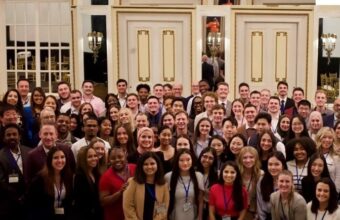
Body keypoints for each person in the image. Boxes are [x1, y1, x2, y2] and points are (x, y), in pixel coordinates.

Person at [25, 146, 74, 220]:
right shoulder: (39, 179)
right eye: (56, 158)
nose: (60, 160)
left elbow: (68, 201)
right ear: (49, 160)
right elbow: (33, 205)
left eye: (62, 157)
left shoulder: (68, 177)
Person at [123, 152, 169, 220]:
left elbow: (163, 209)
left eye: (152, 163)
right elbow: (128, 207)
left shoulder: (163, 184)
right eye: (146, 164)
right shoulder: (133, 182)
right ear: (141, 166)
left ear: (157, 165)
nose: (149, 167)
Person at [0, 124, 31, 220]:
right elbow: (1, 182)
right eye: (8, 135)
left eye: (14, 134)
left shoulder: (29, 151)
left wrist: (27, 194)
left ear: (19, 136)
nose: (12, 137)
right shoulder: (0, 156)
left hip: (30, 200)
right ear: (4, 138)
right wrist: (18, 197)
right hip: (9, 203)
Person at [165, 148, 204, 220]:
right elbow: (163, 200)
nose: (185, 163)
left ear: (192, 160)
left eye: (188, 160)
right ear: (177, 161)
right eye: (181, 160)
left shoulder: (198, 176)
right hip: (174, 216)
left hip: (193, 216)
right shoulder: (168, 177)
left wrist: (200, 217)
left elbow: (200, 200)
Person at [99, 147, 136, 220]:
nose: (117, 160)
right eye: (113, 158)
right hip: (115, 216)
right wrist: (119, 193)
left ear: (125, 155)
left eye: (120, 157)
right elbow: (103, 201)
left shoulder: (135, 168)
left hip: (134, 216)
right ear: (109, 160)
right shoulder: (106, 177)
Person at [73, 146, 102, 219]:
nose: (94, 159)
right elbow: (81, 203)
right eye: (89, 157)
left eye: (95, 156)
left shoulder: (97, 174)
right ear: (83, 160)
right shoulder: (79, 177)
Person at [257, 151, 287, 220]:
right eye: (270, 164)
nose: (273, 168)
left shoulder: (288, 180)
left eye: (277, 164)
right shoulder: (262, 181)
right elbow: (260, 206)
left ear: (283, 165)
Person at [237, 147, 263, 220]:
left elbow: (261, 199)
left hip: (253, 212)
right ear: (240, 160)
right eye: (244, 158)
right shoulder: (236, 173)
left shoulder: (261, 174)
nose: (248, 160)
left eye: (251, 157)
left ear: (256, 159)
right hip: (237, 210)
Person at [315, 127, 340, 192]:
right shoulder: (314, 154)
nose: (327, 140)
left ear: (333, 140)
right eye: (324, 137)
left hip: (330, 192)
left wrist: (335, 193)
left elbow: (338, 179)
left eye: (330, 138)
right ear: (319, 138)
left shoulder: (336, 157)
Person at [196, 147, 218, 220]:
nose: (207, 160)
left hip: (211, 209)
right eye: (205, 156)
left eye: (210, 158)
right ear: (200, 156)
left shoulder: (218, 175)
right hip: (195, 207)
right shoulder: (194, 172)